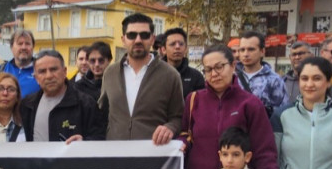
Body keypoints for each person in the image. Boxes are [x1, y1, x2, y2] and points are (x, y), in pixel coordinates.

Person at [100, 13, 183, 143]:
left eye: (144, 35)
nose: (138, 40)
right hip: (115, 155)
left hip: (153, 155)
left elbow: (178, 116)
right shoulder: (110, 73)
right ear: (123, 39)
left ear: (152, 39)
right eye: (132, 35)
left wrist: (170, 127)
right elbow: (101, 115)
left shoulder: (170, 75)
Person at [19, 50, 105, 142]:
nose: (49, 76)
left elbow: (99, 137)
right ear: (36, 78)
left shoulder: (86, 104)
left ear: (64, 72)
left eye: (53, 69)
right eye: (42, 71)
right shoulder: (28, 105)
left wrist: (83, 142)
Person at [235, 31, 286, 115]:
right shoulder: (231, 78)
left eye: (251, 49)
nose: (245, 54)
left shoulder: (274, 80)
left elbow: (282, 112)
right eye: (242, 50)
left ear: (262, 51)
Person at [163, 27, 205, 96]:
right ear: (164, 49)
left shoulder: (196, 77)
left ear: (186, 49)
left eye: (181, 44)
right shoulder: (155, 76)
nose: (177, 47)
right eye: (172, 44)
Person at [0, 29, 39, 97]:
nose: (24, 47)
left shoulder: (42, 71)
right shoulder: (0, 70)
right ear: (11, 47)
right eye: (20, 44)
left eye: (27, 43)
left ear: (33, 47)